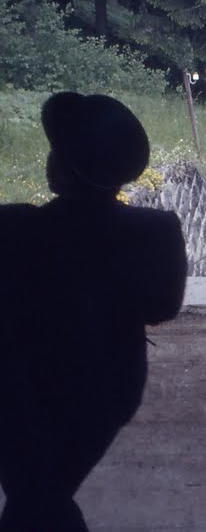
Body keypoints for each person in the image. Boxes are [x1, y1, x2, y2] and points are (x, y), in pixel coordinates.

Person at [0, 92, 187, 531]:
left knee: (35, 496)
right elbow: (162, 307)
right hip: (105, 390)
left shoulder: (13, 227)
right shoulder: (155, 233)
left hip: (16, 391)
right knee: (42, 496)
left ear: (61, 168)